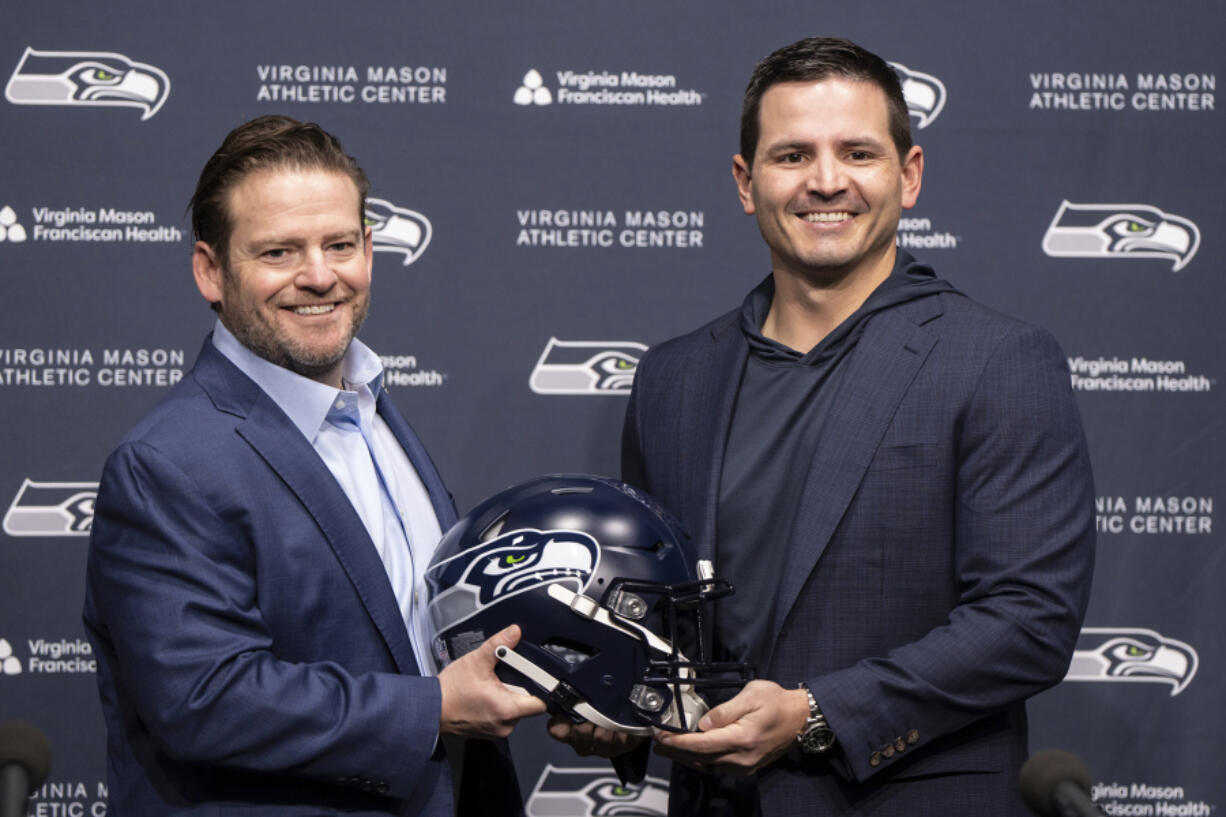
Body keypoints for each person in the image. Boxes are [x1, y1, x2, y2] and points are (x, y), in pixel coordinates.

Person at [550, 36, 1095, 816]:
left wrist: (814, 711)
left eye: (858, 153)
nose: (827, 182)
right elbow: (664, 617)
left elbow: (1028, 621)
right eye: (793, 155)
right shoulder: (673, 378)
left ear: (908, 176)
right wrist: (625, 709)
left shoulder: (998, 359)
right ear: (746, 182)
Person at [82, 115, 546, 816]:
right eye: (279, 251)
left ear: (368, 248)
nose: (320, 275)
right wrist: (432, 708)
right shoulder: (165, 464)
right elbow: (205, 697)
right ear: (211, 270)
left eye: (340, 243)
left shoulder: (375, 409)